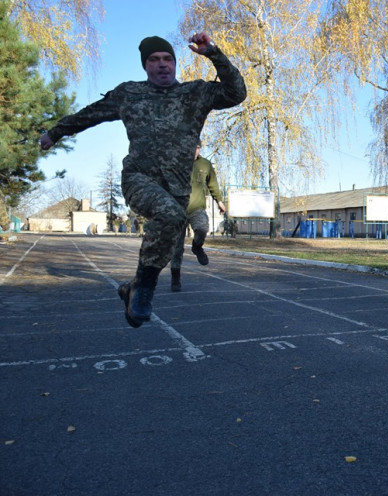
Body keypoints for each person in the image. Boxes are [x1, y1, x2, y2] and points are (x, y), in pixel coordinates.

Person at [40, 33, 247, 328]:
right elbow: (91, 114)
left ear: (174, 64)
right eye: (154, 60)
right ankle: (145, 291)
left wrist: (214, 53)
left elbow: (237, 93)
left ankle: (133, 287)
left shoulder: (195, 93)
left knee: (166, 239)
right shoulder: (129, 94)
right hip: (139, 178)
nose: (162, 65)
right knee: (169, 215)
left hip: (178, 188)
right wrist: (55, 133)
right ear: (145, 65)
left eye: (167, 59)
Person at [169, 141, 226, 292]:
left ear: (200, 149)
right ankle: (175, 278)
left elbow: (213, 184)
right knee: (176, 248)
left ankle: (197, 247)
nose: (194, 150)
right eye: (191, 147)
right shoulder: (175, 162)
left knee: (202, 228)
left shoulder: (205, 165)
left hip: (197, 208)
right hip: (177, 210)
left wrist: (219, 201)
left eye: (197, 148)